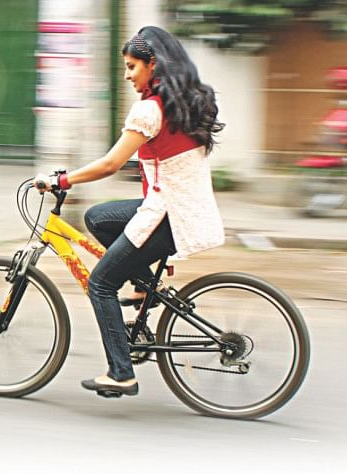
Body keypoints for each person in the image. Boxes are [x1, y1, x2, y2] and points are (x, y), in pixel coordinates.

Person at [35, 26, 226, 397]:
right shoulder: (185, 104)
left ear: (153, 64)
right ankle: (144, 286)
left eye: (131, 66)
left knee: (101, 284)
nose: (127, 75)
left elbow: (111, 164)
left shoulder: (150, 110)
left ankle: (121, 373)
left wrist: (62, 180)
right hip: (179, 208)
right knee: (97, 218)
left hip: (166, 215)